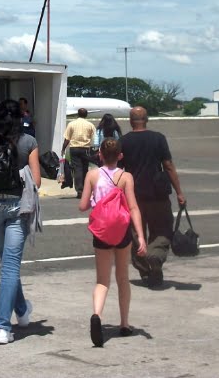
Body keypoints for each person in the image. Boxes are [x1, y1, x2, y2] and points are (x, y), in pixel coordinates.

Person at [0, 99, 42, 344]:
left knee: (8, 264)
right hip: (18, 208)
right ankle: (2, 326)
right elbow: (36, 180)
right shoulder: (28, 142)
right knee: (9, 268)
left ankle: (22, 311)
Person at [79, 138, 146, 347]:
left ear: (99, 154)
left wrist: (93, 201)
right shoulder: (126, 177)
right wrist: (141, 236)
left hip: (101, 232)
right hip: (122, 232)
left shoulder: (92, 175)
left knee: (102, 280)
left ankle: (97, 314)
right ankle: (124, 323)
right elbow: (133, 207)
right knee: (123, 278)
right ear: (120, 156)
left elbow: (82, 206)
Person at [119, 106, 185, 288]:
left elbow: (118, 170)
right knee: (162, 230)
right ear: (146, 120)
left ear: (131, 121)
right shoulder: (159, 139)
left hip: (134, 196)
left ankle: (145, 269)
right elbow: (168, 165)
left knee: (135, 235)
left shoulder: (124, 141)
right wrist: (179, 191)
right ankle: (155, 256)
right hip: (158, 194)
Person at [61, 108, 96, 197]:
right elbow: (94, 138)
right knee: (85, 168)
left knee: (77, 169)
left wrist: (63, 148)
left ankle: (79, 190)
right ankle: (85, 189)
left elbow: (67, 138)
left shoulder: (71, 124)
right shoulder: (90, 125)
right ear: (86, 115)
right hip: (86, 148)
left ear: (78, 114)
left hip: (74, 148)